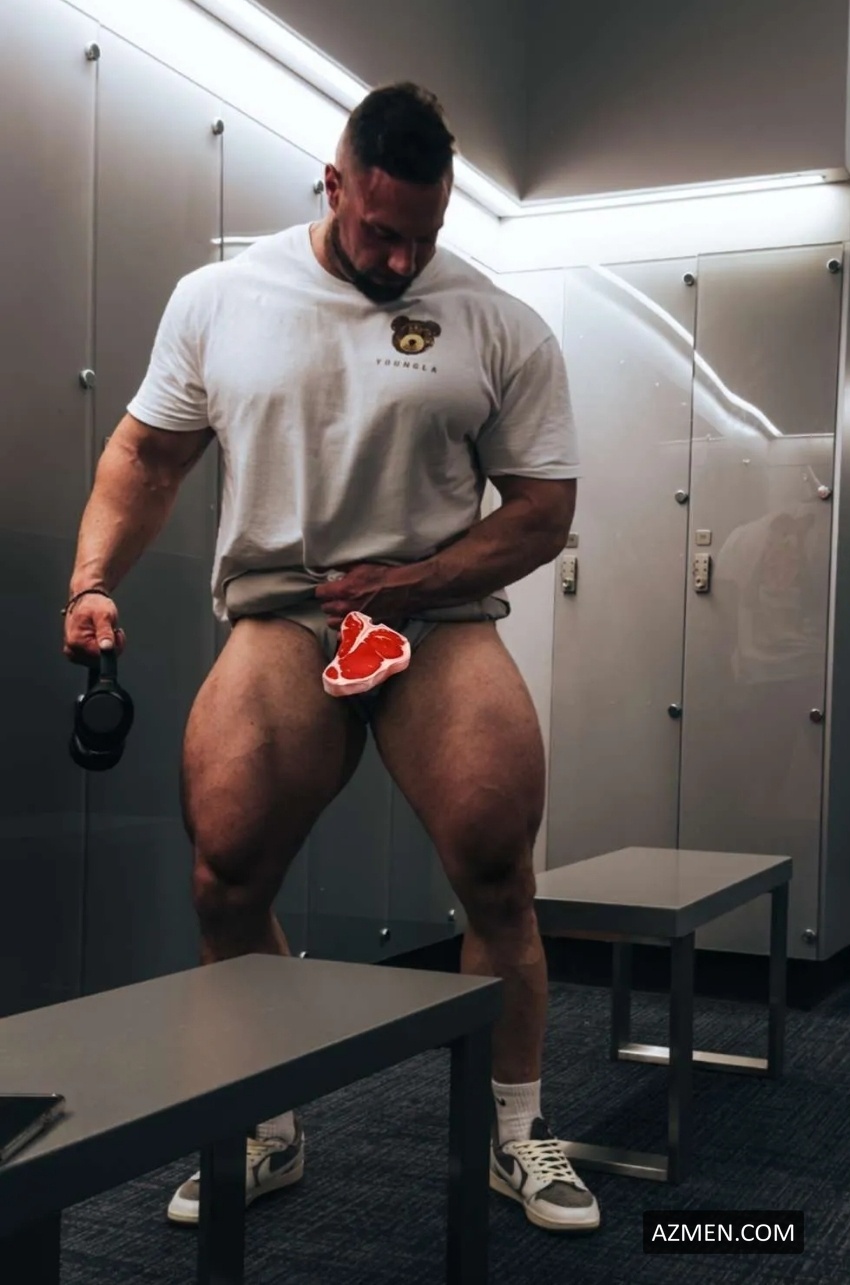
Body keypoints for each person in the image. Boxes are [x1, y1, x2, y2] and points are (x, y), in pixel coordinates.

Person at [62, 81, 599, 1234]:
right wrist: (92, 580)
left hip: (435, 615)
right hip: (284, 610)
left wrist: (415, 583)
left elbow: (541, 512)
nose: (402, 259)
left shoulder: (497, 320)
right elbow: (147, 457)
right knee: (226, 875)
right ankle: (264, 1122)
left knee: (497, 869)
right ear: (334, 185)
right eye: (380, 231)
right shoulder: (220, 297)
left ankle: (515, 1130)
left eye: (423, 236)